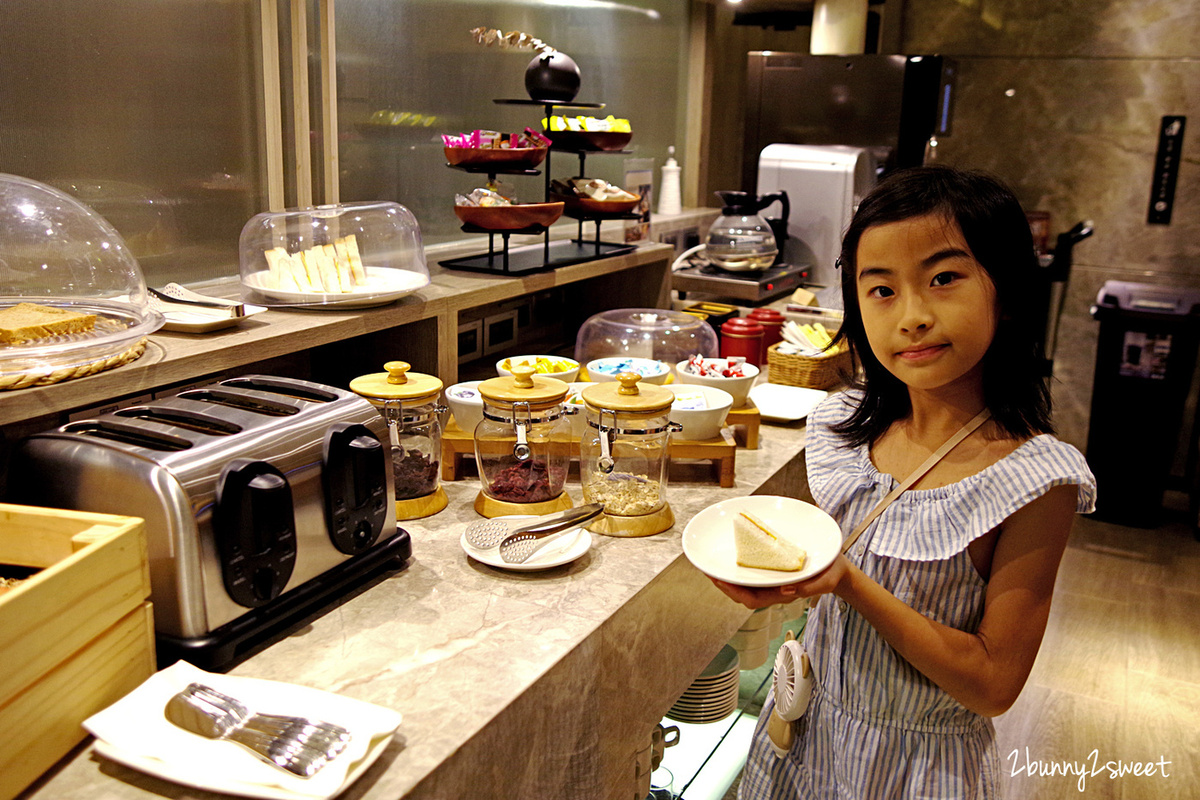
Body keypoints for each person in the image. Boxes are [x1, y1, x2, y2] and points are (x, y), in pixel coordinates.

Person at [711, 165, 1097, 799]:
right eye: (881, 290)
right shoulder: (847, 426)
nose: (911, 316)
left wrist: (848, 584)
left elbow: (994, 684)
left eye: (944, 279)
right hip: (805, 729)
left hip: (911, 770)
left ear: (1007, 288)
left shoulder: (1035, 479)